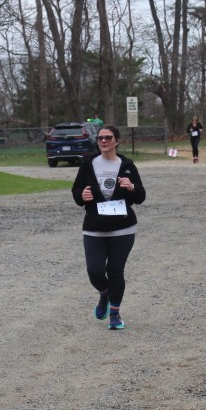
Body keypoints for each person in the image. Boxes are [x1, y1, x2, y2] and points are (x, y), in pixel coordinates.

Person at [71, 125, 146, 330]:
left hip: (123, 227)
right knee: (95, 271)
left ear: (117, 141)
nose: (103, 141)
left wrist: (131, 187)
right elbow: (77, 191)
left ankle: (115, 314)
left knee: (115, 270)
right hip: (94, 226)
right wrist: (82, 196)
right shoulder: (88, 164)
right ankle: (104, 293)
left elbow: (140, 196)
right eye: (100, 138)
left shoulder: (127, 165)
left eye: (108, 137)